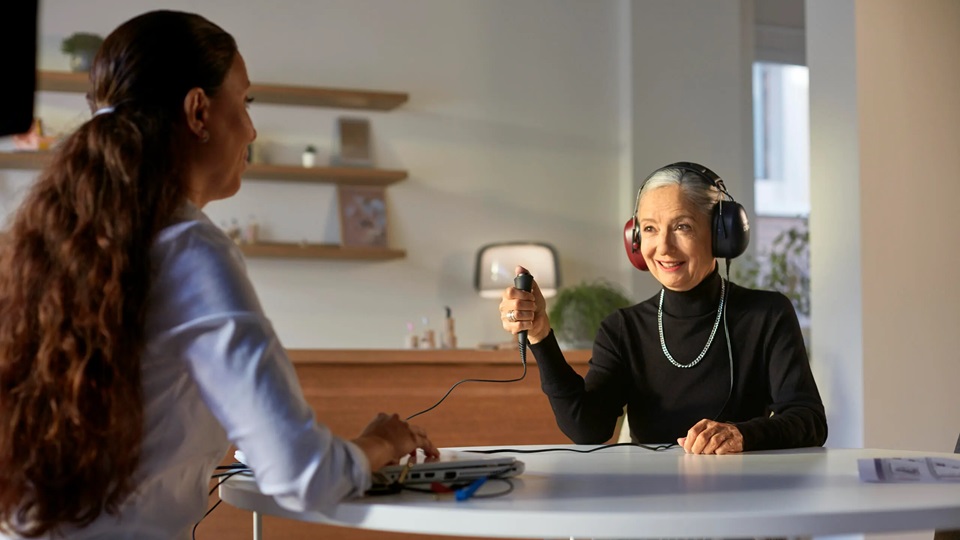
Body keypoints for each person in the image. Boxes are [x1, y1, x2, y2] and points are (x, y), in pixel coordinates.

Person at [0, 10, 437, 539]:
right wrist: (384, 441)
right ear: (198, 111)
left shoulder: (53, 246)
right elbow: (305, 476)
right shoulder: (190, 249)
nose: (252, 129)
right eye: (246, 102)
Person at [498, 162, 827, 455]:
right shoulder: (623, 328)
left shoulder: (767, 314)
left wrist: (741, 434)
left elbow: (809, 420)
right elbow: (589, 430)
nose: (664, 248)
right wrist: (541, 335)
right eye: (651, 229)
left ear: (720, 234)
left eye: (682, 226)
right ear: (636, 239)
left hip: (741, 504)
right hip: (649, 505)